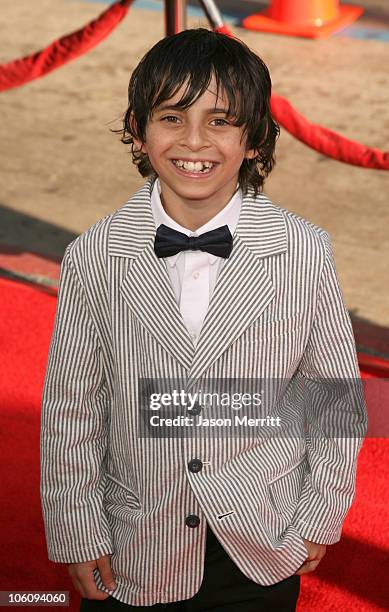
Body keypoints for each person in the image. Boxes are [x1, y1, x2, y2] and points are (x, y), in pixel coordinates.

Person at [40, 28, 367, 611]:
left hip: (260, 537)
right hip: (133, 540)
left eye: (220, 121)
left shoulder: (304, 250)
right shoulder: (94, 254)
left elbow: (329, 396)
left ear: (256, 139)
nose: (195, 141)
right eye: (171, 117)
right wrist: (76, 530)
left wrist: (318, 513)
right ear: (137, 130)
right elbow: (72, 406)